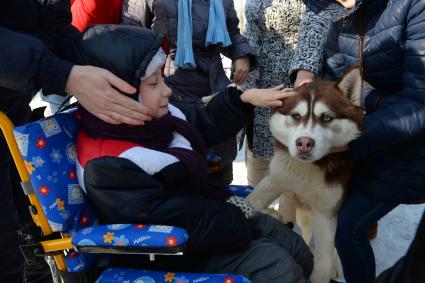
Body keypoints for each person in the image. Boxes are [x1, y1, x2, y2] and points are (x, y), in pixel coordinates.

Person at [73, 24, 313, 282]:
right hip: (171, 251)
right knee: (279, 267)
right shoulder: (108, 164)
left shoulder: (151, 121)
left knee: (296, 248)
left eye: (162, 79)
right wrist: (234, 218)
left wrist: (242, 99)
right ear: (117, 95)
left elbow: (202, 121)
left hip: (207, 222)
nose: (166, 90)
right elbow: (170, 218)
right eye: (153, 83)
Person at [0, 1, 152, 282]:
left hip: (12, 109)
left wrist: (126, 59)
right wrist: (62, 73)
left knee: (33, 239)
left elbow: (52, 28)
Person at [297, 0, 425, 282]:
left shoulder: (414, 6)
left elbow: (420, 100)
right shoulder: (338, 13)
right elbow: (336, 79)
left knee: (349, 227)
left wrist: (354, 136)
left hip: (409, 149)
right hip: (365, 146)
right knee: (345, 228)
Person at [120, 0, 257, 185]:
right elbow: (132, 34)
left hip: (214, 86)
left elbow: (230, 31)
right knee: (178, 172)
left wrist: (241, 55)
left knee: (218, 173)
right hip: (168, 86)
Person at [242, 0, 330, 224]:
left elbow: (317, 29)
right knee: (257, 159)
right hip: (258, 86)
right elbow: (250, 31)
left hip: (294, 87)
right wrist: (243, 57)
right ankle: (254, 225)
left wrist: (304, 74)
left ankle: (286, 227)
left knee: (290, 165)